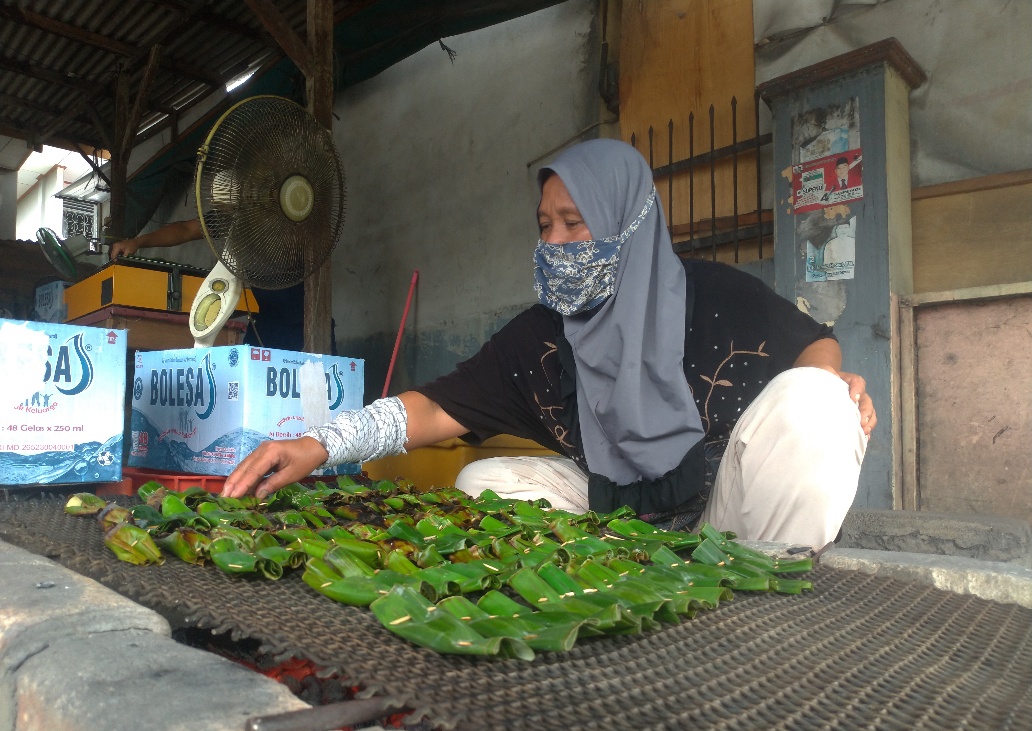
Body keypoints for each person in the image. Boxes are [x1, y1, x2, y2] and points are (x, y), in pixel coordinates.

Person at [221, 139, 876, 548]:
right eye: (544, 225)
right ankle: (622, 574)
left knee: (817, 405)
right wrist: (322, 444)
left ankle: (769, 584)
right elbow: (426, 411)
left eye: (574, 222)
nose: (554, 243)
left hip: (724, 516)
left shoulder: (711, 292)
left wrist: (834, 385)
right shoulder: (538, 340)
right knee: (483, 482)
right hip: (615, 523)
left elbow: (812, 346)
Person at [110, 219, 306, 351]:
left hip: (304, 325)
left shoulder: (286, 218)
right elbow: (186, 229)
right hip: (265, 324)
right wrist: (138, 242)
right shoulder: (235, 219)